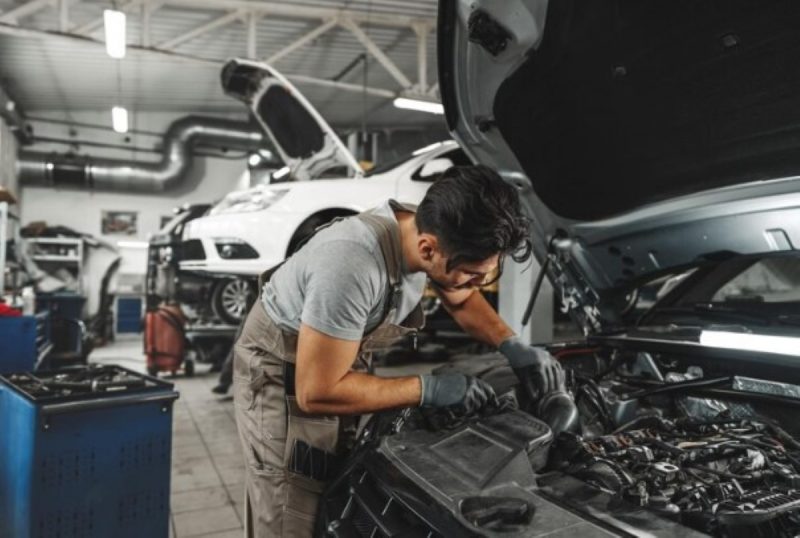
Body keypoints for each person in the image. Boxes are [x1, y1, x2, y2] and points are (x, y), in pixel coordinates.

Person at [233, 164, 563, 537]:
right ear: (428, 249)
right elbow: (317, 392)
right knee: (293, 500)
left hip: (335, 357)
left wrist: (511, 344)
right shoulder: (351, 263)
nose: (476, 284)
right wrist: (429, 389)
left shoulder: (430, 228)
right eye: (473, 273)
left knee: (338, 482)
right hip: (283, 369)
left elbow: (460, 298)